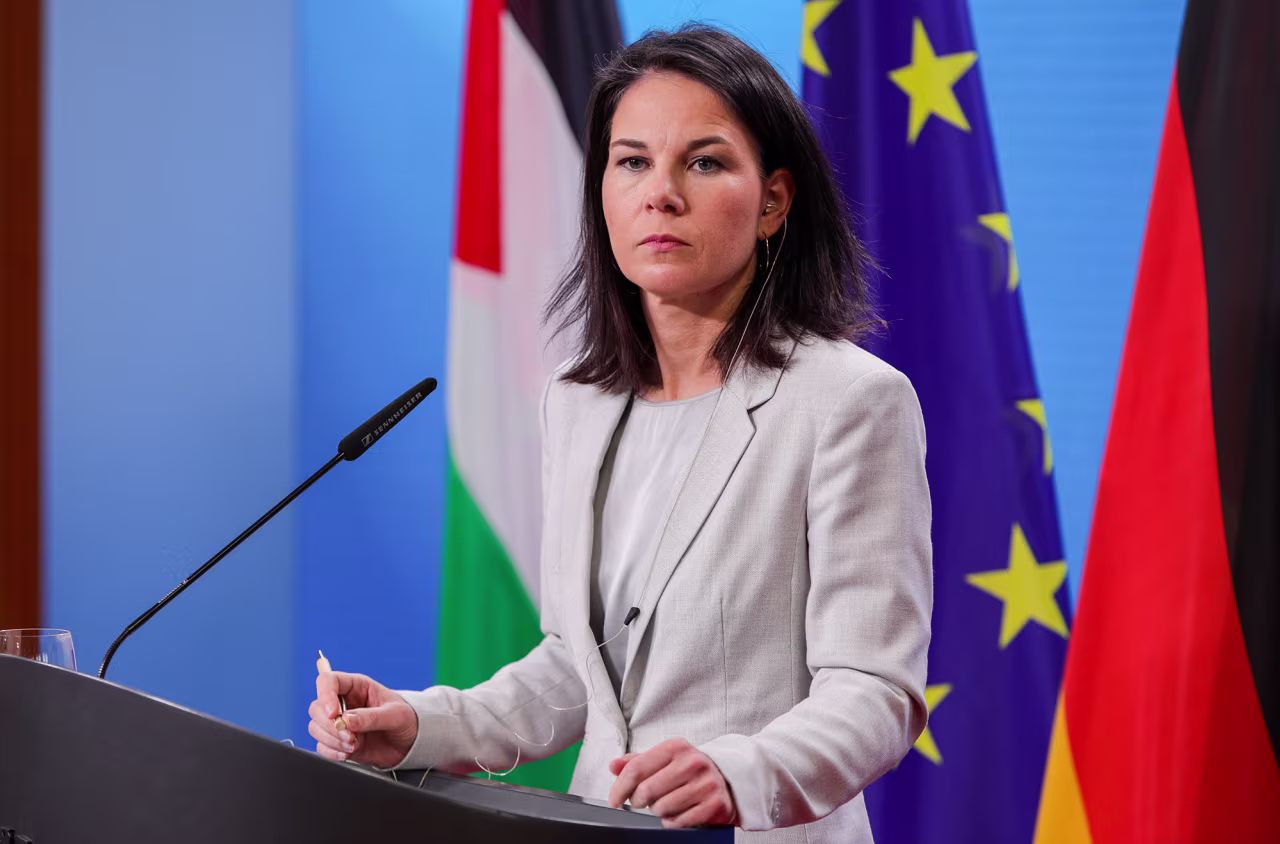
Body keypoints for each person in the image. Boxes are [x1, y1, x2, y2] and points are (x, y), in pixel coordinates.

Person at [308, 24, 931, 843]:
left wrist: (742, 773)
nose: (659, 194)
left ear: (775, 200)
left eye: (704, 162)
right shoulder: (578, 402)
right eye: (632, 161)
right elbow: (583, 668)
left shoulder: (850, 402)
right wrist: (423, 725)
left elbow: (874, 689)